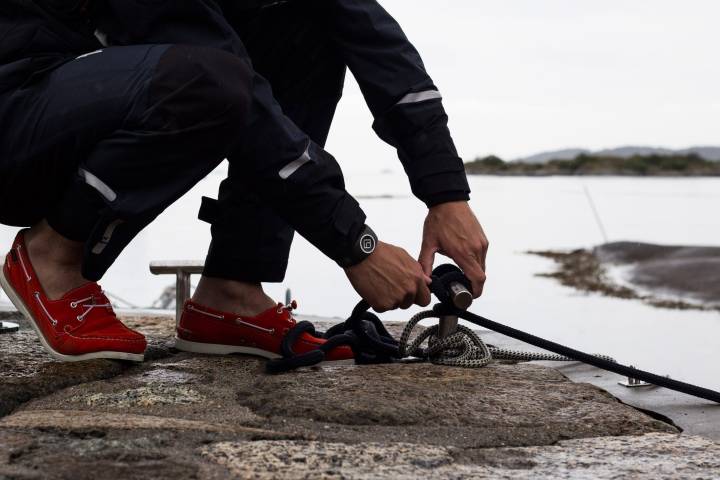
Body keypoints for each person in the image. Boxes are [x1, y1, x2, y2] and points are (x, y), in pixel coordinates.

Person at [0, 0, 489, 362]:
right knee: (207, 81)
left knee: (308, 32)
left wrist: (446, 194)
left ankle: (231, 290)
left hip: (64, 105)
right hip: (14, 114)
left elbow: (375, 39)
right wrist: (356, 245)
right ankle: (52, 257)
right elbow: (232, 90)